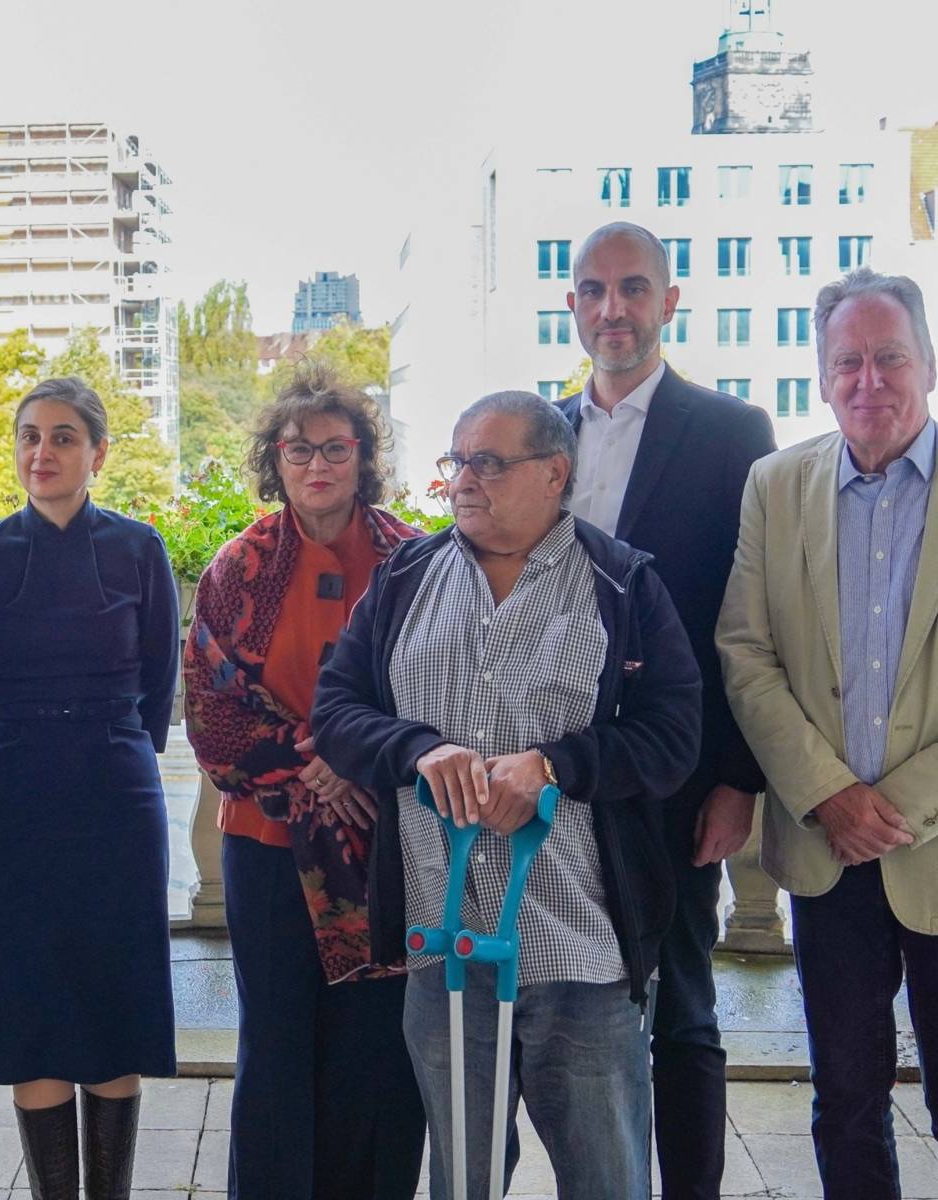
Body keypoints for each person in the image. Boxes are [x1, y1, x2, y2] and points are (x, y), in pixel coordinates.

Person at [313, 390, 701, 1199]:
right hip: (444, 941)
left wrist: (555, 765)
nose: (464, 480)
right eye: (458, 461)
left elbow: (673, 737)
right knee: (465, 1181)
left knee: (607, 1180)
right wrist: (419, 750)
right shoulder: (406, 578)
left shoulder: (621, 583)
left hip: (580, 950)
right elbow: (337, 710)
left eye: (490, 462)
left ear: (554, 473)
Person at [558, 220, 776, 1197]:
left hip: (681, 776)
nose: (614, 310)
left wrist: (737, 781)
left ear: (668, 303)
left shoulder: (733, 434)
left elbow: (746, 619)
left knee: (683, 1008)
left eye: (633, 289)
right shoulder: (535, 433)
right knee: (575, 1014)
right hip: (560, 776)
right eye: (595, 291)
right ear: (571, 306)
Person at [717, 268, 938, 1199]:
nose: (869, 380)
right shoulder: (775, 483)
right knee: (845, 1098)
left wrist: (892, 807)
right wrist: (829, 795)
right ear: (821, 374)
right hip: (820, 850)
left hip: (933, 845)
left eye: (890, 356)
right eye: (848, 361)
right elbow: (745, 648)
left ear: (927, 362)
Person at [183, 364, 426, 1199]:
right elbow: (212, 718)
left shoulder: (415, 560)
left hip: (386, 845)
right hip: (269, 846)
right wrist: (317, 764)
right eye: (298, 449)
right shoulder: (236, 569)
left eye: (335, 447)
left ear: (364, 457)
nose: (316, 464)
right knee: (278, 1044)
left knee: (378, 1047)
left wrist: (355, 757)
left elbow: (450, 695)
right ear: (274, 460)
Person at [0, 376, 178, 1200]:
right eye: (29, 436)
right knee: (29, 1010)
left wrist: (111, 751)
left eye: (64, 436)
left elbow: (160, 680)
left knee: (113, 1006)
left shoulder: (140, 548)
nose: (42, 452)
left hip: (117, 791)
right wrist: (20, 751)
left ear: (99, 452)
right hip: (13, 797)